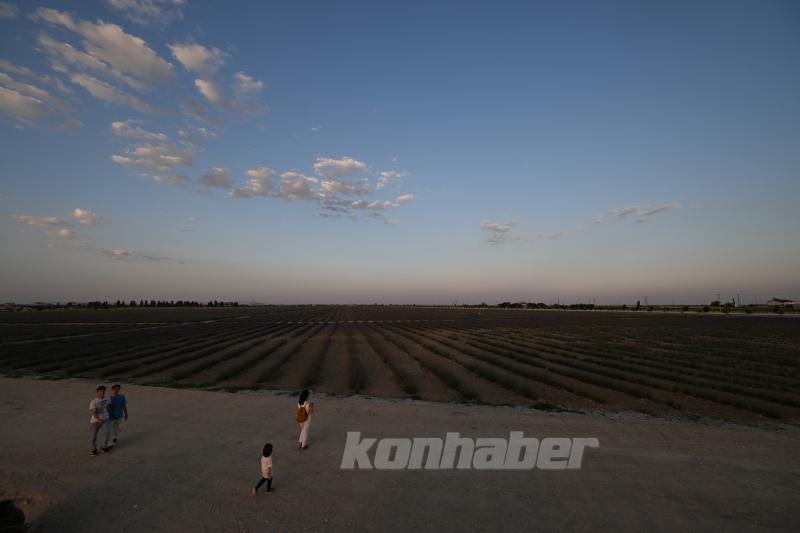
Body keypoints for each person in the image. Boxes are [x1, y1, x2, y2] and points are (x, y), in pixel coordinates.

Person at [89, 385, 112, 456]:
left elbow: (110, 408)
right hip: (95, 421)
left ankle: (104, 447)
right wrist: (99, 420)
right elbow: (93, 412)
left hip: (106, 419)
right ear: (97, 392)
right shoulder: (94, 402)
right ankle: (94, 450)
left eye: (103, 391)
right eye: (100, 391)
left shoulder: (108, 399)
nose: (102, 393)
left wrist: (109, 408)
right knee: (93, 437)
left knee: (106, 434)